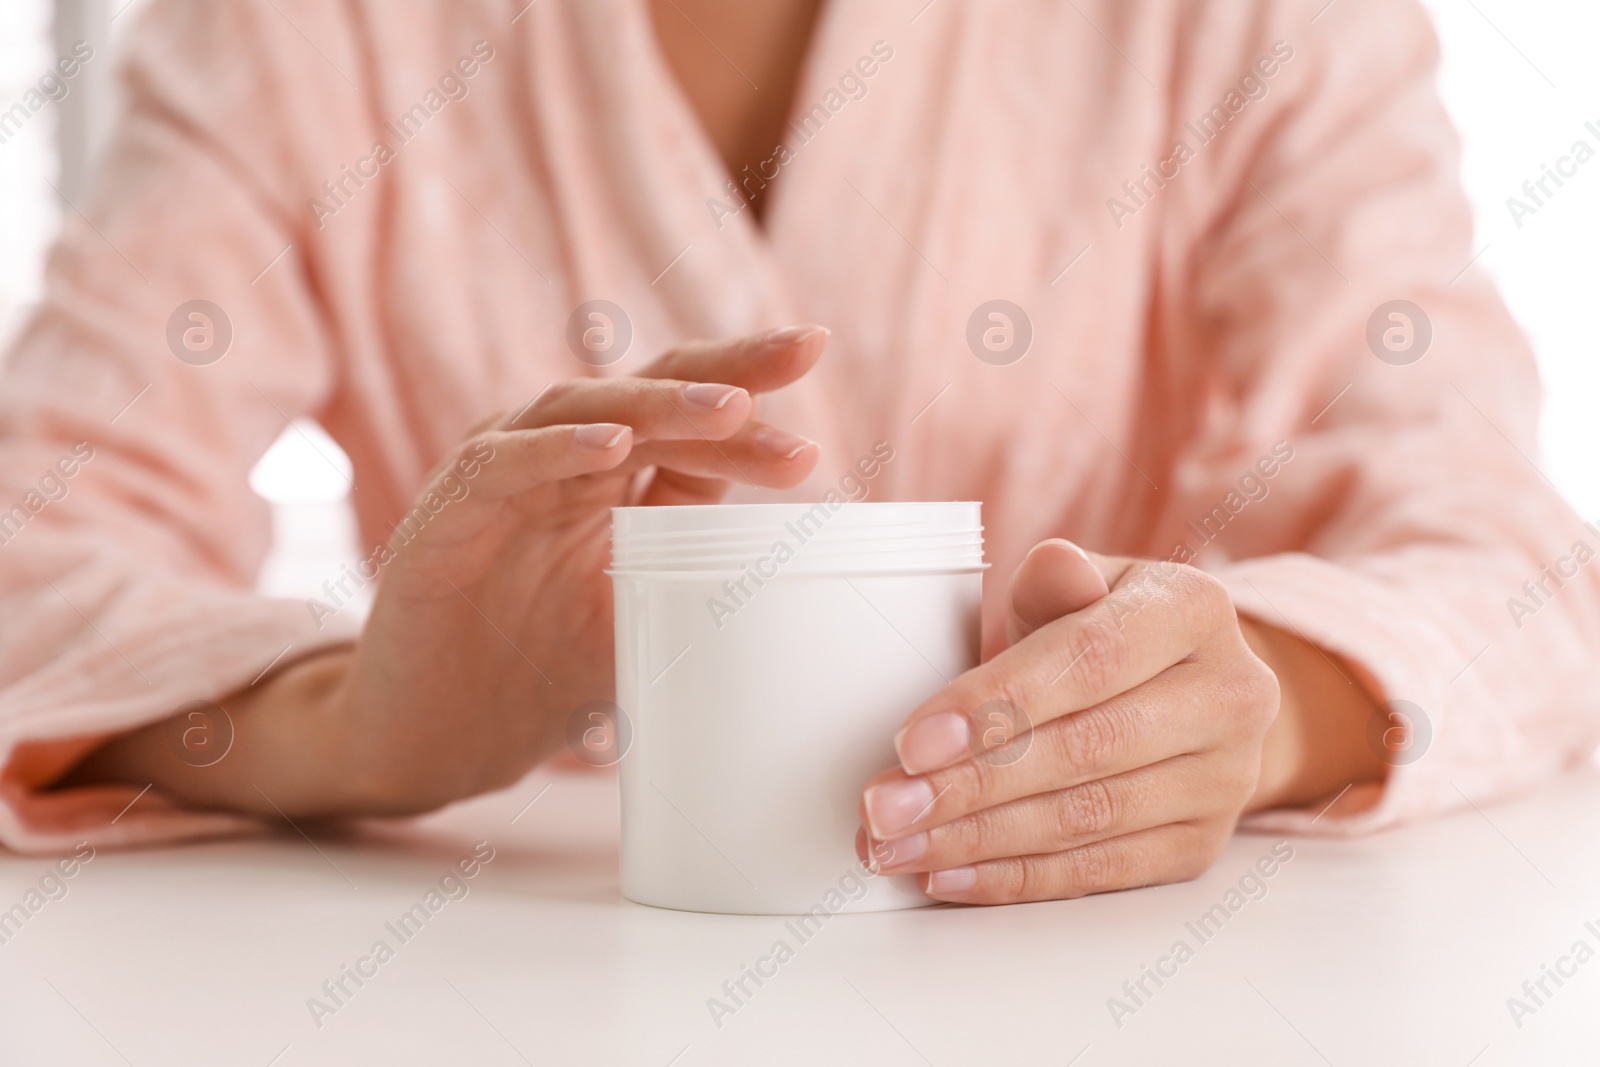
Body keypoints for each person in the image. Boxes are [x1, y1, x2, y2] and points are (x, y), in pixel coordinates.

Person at [0, 0, 1595, 906]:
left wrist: (1240, 710)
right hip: (516, 986)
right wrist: (357, 725)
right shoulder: (294, 32)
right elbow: (31, 544)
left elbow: (1500, 554)